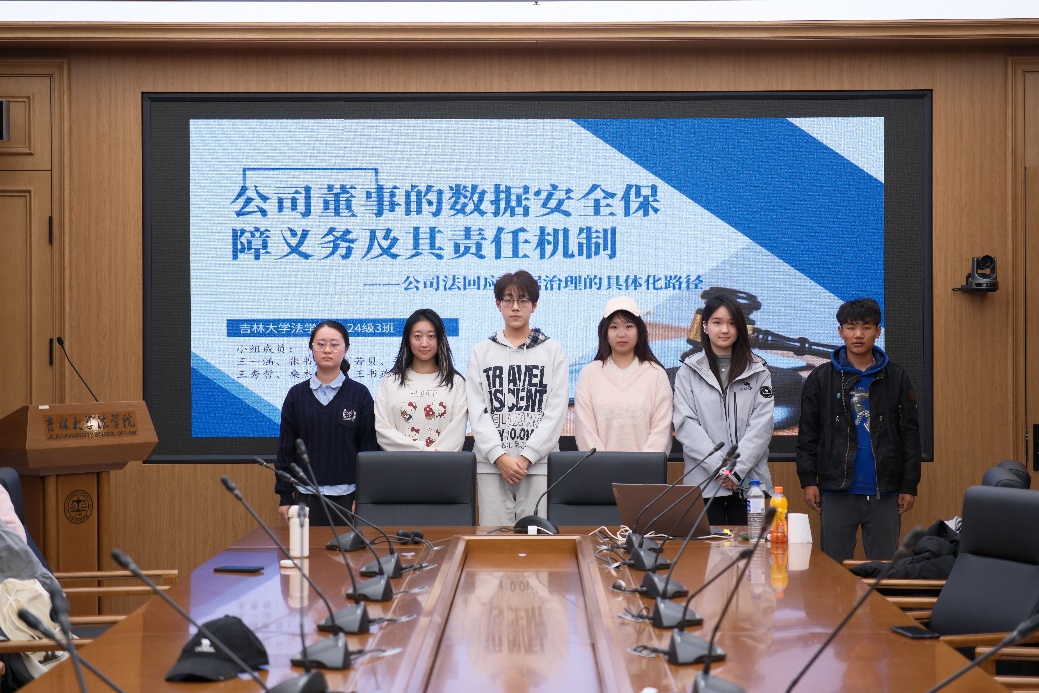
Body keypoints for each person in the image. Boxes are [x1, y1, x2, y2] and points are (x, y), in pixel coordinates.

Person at [795, 297, 921, 563]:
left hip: (884, 490)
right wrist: (808, 481)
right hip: (836, 489)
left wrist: (909, 485)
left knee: (884, 571)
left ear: (878, 331)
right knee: (834, 570)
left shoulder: (896, 377)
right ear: (840, 331)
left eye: (866, 327)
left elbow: (910, 434)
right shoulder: (821, 378)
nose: (858, 334)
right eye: (851, 327)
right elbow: (808, 435)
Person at [466, 270, 568, 527]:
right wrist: (499, 457)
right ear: (497, 304)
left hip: (539, 466)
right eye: (508, 299)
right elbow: (477, 411)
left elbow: (556, 411)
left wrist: (527, 457)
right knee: (493, 540)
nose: (515, 307)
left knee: (537, 540)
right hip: (491, 466)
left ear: (534, 305)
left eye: (523, 300)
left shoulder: (553, 351)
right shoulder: (481, 351)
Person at [673, 294, 775, 525]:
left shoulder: (759, 371)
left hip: (749, 482)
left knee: (749, 546)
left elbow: (762, 426)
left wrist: (736, 471)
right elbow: (686, 425)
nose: (725, 330)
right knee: (706, 547)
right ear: (705, 326)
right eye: (717, 322)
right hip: (704, 482)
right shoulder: (687, 372)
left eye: (732, 323)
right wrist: (721, 469)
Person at [274, 320, 378, 526]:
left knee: (349, 548)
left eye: (334, 344)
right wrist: (285, 496)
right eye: (321, 344)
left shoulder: (359, 394)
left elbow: (369, 449)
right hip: (305, 496)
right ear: (311, 348)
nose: (327, 350)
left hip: (348, 498)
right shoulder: (296, 395)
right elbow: (286, 449)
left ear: (346, 349)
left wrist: (363, 497)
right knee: (306, 547)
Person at [574, 296, 672, 452]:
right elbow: (585, 431)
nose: (621, 334)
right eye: (614, 327)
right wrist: (602, 464)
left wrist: (644, 464)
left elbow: (661, 430)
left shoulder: (656, 374)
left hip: (646, 468)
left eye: (628, 326)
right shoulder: (589, 374)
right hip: (598, 468)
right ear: (605, 332)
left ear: (639, 331)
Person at [375, 308, 468, 451]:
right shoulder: (390, 382)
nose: (424, 343)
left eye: (431, 336)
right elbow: (383, 431)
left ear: (439, 339)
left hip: (443, 463)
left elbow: (456, 434)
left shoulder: (456, 383)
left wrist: (434, 457)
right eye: (417, 336)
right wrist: (424, 452)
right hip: (398, 464)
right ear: (408, 340)